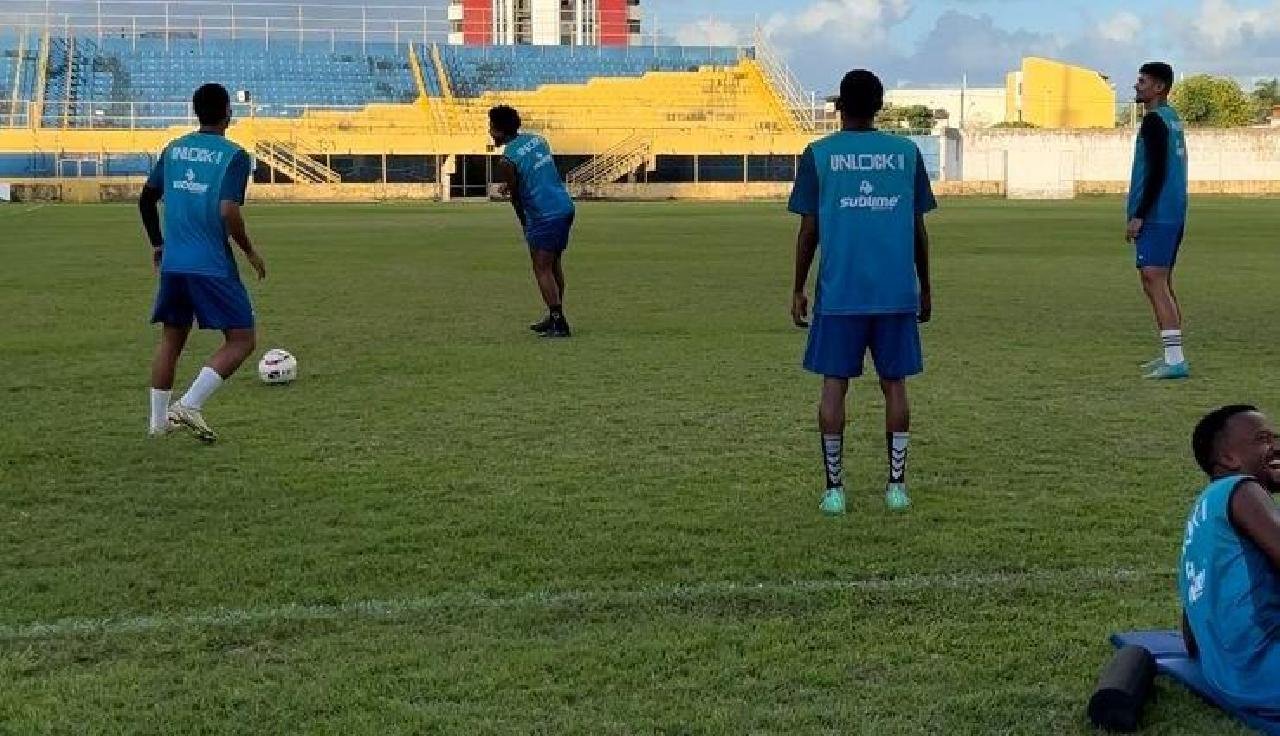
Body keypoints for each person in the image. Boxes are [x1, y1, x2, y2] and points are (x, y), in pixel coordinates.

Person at [788, 69, 936, 516]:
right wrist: (925, 286)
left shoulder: (818, 154)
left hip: (839, 292)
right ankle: (897, 486)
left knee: (835, 386)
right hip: (895, 290)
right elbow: (917, 228)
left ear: (838, 107)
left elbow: (808, 230)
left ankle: (834, 490)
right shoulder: (906, 153)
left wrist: (797, 287)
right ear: (880, 105)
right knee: (896, 386)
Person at [140, 82, 264, 443]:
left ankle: (158, 423)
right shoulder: (234, 156)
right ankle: (190, 404)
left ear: (196, 112)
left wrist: (158, 245)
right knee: (242, 339)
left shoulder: (174, 149)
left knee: (171, 339)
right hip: (210, 264)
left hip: (175, 262)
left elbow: (146, 201)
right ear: (227, 111)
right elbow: (229, 210)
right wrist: (249, 251)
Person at [1180, 405, 1280, 712]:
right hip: (1267, 673)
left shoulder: (1204, 512)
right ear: (1228, 459)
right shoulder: (1243, 488)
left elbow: (1189, 636)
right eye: (1264, 439)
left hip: (1230, 678)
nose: (1276, 446)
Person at [489, 105, 576, 339]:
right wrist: (512, 184)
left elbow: (517, 198)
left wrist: (524, 222)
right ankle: (555, 314)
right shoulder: (539, 140)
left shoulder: (507, 160)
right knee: (553, 264)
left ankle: (559, 322)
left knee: (541, 268)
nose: (489, 132)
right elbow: (538, 173)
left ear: (498, 130)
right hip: (563, 207)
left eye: (491, 127)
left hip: (544, 215)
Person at [1127, 62, 1189, 380]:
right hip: (1174, 211)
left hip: (1158, 214)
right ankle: (1172, 354)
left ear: (1158, 87)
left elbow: (1157, 172)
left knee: (1154, 280)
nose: (1136, 86)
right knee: (1160, 282)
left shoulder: (1154, 121)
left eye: (1142, 81)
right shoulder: (1173, 118)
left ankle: (1176, 360)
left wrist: (1139, 214)